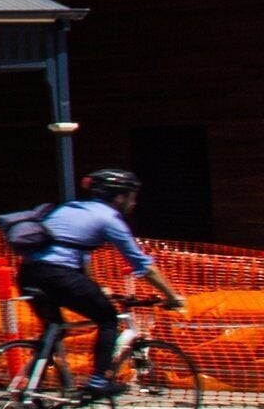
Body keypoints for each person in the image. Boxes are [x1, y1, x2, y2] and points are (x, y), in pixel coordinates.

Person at [19, 167, 188, 397]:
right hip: (59, 275)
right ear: (119, 197)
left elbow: (80, 253)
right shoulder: (109, 219)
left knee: (53, 330)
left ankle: (27, 390)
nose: (134, 202)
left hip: (28, 273)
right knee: (108, 319)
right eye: (132, 196)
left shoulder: (70, 208)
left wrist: (93, 287)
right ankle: (98, 381)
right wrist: (172, 296)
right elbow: (143, 265)